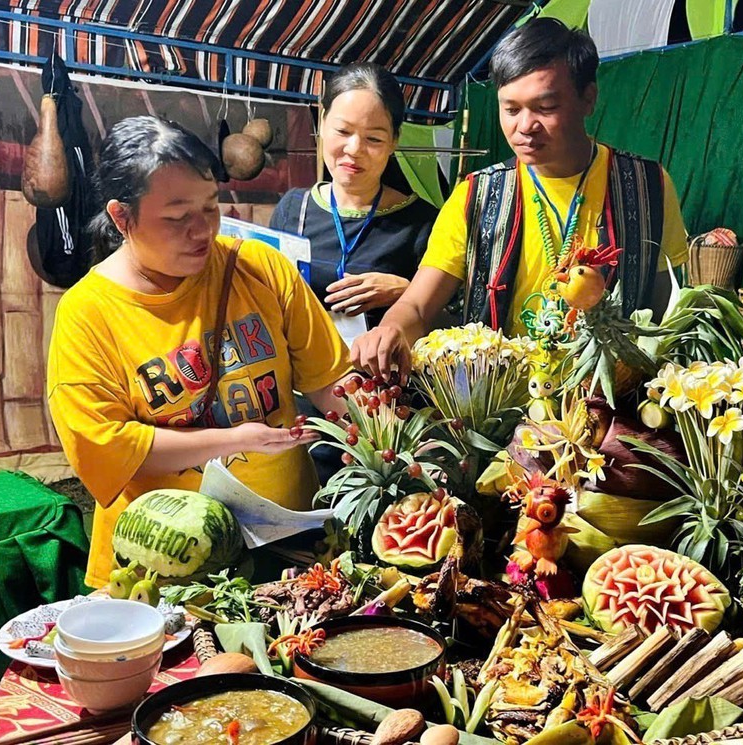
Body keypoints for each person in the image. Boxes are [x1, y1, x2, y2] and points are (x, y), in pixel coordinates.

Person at [47, 116, 352, 589]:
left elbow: (332, 384)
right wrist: (234, 440)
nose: (202, 230)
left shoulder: (260, 267)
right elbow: (107, 449)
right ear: (121, 217)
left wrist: (386, 438)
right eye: (176, 216)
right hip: (164, 569)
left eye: (211, 208)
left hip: (291, 549)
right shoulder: (88, 313)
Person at [352, 18, 688, 379]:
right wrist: (389, 331)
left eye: (544, 108)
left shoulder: (645, 185)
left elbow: (664, 308)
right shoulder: (475, 197)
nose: (524, 126)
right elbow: (417, 306)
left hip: (611, 409)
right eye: (510, 109)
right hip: (501, 410)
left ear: (588, 99)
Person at [269, 62, 438, 331]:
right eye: (343, 131)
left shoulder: (423, 223)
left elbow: (452, 325)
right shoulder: (293, 208)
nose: (355, 149)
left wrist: (408, 291)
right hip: (300, 370)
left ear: (394, 140)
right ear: (322, 123)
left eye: (373, 139)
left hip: (380, 372)